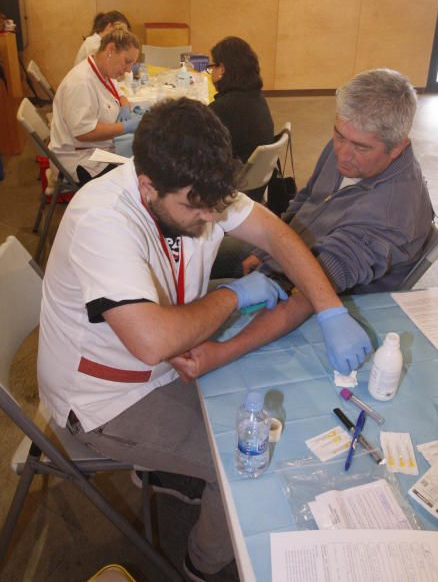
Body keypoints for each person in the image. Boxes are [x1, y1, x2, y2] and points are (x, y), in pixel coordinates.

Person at [38, 98, 371, 582]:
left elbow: (277, 235)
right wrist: (234, 296)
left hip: (161, 360)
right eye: (196, 210)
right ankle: (202, 563)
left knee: (270, 396)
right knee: (245, 458)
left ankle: (171, 473)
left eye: (217, 207)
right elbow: (152, 342)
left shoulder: (196, 187)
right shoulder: (103, 220)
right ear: (147, 186)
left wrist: (331, 309)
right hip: (105, 398)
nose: (210, 222)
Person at [218, 68, 434, 294]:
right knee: (195, 252)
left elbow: (315, 289)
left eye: (361, 147)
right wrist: (267, 252)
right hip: (287, 256)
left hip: (324, 293)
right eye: (339, 135)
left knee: (197, 300)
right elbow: (307, 198)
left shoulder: (391, 211)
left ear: (397, 147)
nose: (343, 154)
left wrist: (265, 273)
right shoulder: (347, 145)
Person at [50, 26, 141, 184]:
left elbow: (120, 93)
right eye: (127, 62)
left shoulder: (104, 71)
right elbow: (83, 133)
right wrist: (126, 127)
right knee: (141, 179)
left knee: (146, 161)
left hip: (98, 150)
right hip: (81, 160)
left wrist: (124, 106)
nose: (128, 70)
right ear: (110, 49)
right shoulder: (81, 82)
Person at [208, 36, 274, 197]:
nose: (211, 71)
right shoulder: (257, 98)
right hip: (254, 186)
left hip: (230, 189)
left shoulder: (222, 108)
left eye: (212, 66)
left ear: (222, 69)